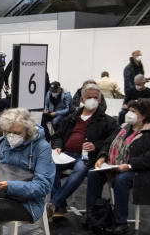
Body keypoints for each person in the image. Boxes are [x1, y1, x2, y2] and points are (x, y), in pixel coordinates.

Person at [86, 99, 150, 234]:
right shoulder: (123, 127)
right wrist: (102, 157)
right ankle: (92, 215)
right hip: (116, 165)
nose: (129, 114)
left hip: (142, 171)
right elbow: (108, 143)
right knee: (93, 173)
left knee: (122, 179)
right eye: (129, 110)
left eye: (133, 112)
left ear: (145, 115)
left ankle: (121, 221)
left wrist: (130, 165)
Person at [48, 84, 117, 218]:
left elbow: (112, 142)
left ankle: (54, 203)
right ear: (82, 99)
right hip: (65, 154)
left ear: (100, 100)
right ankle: (60, 206)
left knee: (80, 168)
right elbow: (57, 135)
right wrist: (57, 145)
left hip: (88, 157)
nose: (93, 100)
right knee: (50, 165)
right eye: (89, 97)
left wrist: (95, 146)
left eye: (95, 97)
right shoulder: (71, 118)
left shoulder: (107, 121)